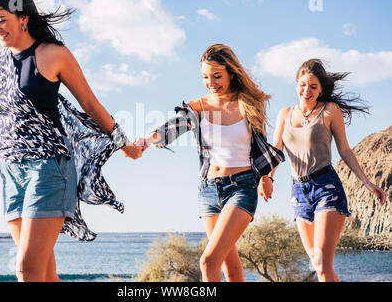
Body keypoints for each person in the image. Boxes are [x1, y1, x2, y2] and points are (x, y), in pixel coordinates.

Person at [0, 0, 142, 282]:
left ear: (23, 17)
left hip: (49, 169)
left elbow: (91, 105)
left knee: (27, 270)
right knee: (45, 274)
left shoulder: (53, 54)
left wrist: (126, 146)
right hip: (9, 170)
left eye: (2, 20)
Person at [136, 44, 272, 282]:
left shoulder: (250, 104)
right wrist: (147, 140)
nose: (211, 83)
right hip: (208, 190)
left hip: (242, 188)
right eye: (205, 77)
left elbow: (261, 149)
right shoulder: (196, 107)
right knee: (230, 267)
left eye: (217, 76)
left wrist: (265, 178)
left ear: (231, 72)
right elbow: (170, 129)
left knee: (208, 261)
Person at [259, 59, 388, 282]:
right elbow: (277, 151)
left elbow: (345, 150)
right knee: (317, 265)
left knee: (321, 262)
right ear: (295, 84)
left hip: (326, 187)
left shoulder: (329, 111)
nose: (306, 91)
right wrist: (267, 177)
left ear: (321, 89)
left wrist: (368, 184)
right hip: (298, 191)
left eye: (313, 86)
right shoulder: (285, 114)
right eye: (302, 84)